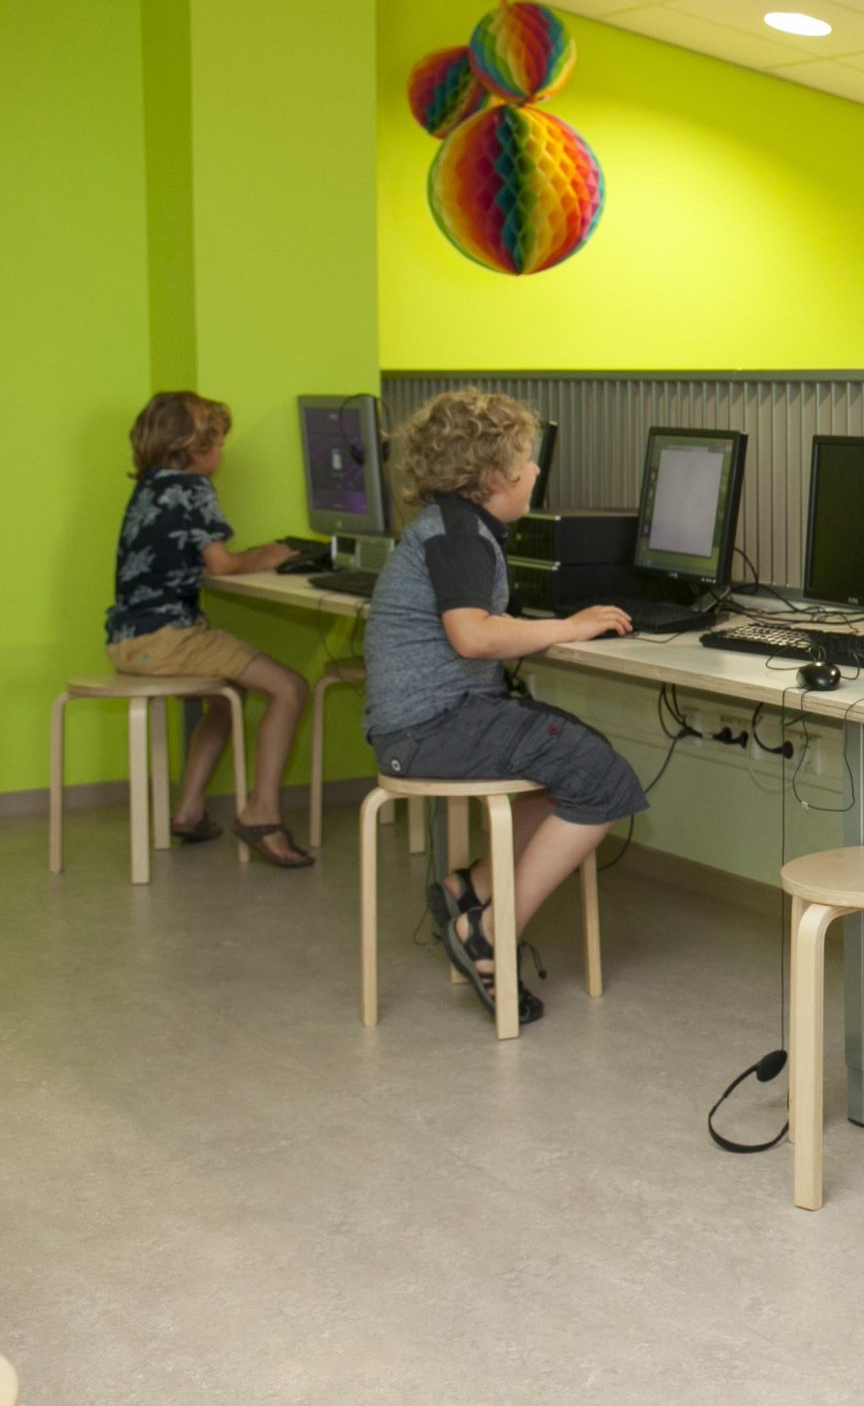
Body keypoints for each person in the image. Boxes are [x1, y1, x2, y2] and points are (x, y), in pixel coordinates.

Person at [362, 389, 643, 1025]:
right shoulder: (459, 537)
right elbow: (473, 636)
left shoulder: (452, 525)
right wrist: (569, 627)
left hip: (425, 722)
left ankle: (472, 888)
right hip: (430, 729)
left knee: (575, 755)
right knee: (603, 780)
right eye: (526, 459)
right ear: (494, 477)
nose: (537, 470)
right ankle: (488, 931)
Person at [105, 391, 312, 867]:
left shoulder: (149, 486)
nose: (220, 454)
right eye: (216, 444)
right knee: (290, 688)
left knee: (228, 693)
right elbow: (221, 565)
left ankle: (190, 810)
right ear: (192, 447)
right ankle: (262, 814)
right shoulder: (193, 487)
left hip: (127, 639)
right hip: (168, 638)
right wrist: (267, 556)